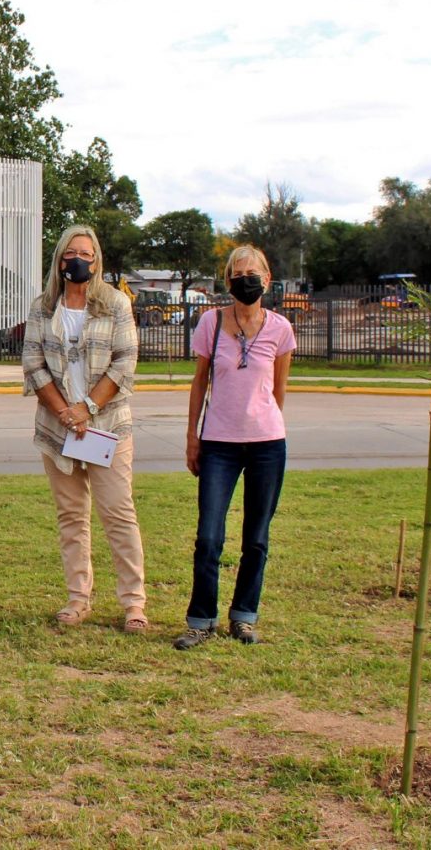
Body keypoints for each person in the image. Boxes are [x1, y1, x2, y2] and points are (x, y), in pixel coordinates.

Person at [21, 225, 145, 633]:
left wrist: (88, 408)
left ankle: (133, 604)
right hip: (59, 429)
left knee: (118, 514)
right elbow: (34, 364)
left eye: (87, 253)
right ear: (60, 259)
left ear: (97, 261)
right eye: (72, 252)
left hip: (106, 427)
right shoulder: (43, 307)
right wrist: (64, 413)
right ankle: (78, 598)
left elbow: (125, 362)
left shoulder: (115, 304)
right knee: (71, 516)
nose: (79, 259)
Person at [176, 245, 296, 649]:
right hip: (219, 445)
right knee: (209, 535)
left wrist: (262, 421)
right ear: (227, 282)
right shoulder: (210, 323)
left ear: (267, 279)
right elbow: (199, 383)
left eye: (254, 272)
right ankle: (200, 619)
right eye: (238, 273)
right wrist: (194, 436)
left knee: (256, 537)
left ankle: (244, 616)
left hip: (266, 444)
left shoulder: (281, 328)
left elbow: (278, 390)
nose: (246, 279)